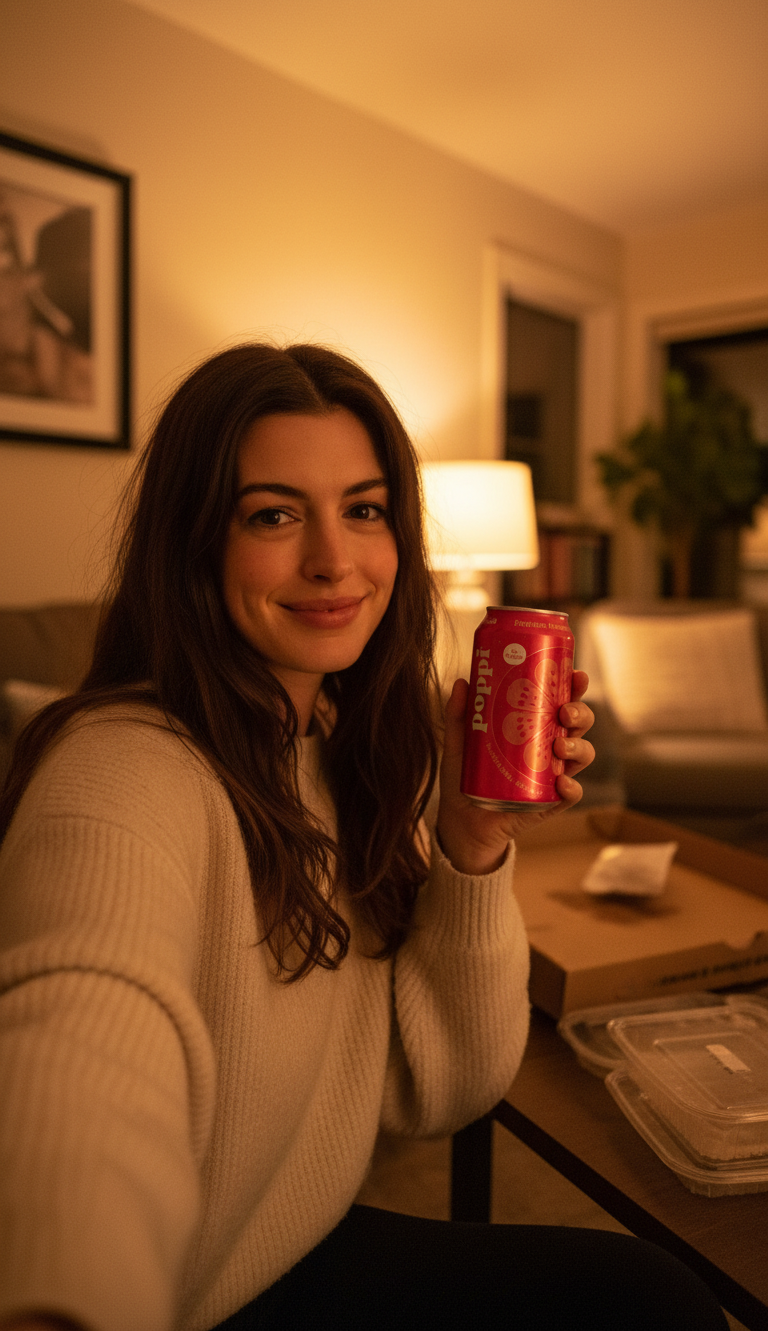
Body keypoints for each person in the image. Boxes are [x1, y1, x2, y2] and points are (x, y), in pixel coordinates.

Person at [0, 343, 727, 1331]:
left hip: (287, 1238)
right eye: (273, 514)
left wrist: (472, 845)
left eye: (365, 508)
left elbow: (445, 1092)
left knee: (652, 1297)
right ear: (193, 540)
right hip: (185, 1293)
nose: (333, 562)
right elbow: (83, 1049)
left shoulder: (339, 744)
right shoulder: (123, 770)